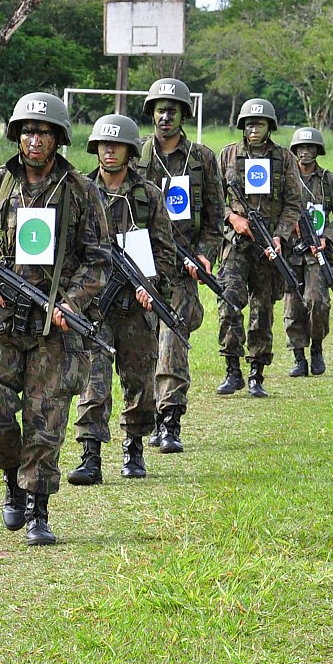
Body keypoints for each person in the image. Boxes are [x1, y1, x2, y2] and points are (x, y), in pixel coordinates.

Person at [0, 92, 109, 545]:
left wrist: (71, 304)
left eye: (43, 131)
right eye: (27, 130)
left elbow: (99, 260)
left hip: (53, 327)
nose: (34, 139)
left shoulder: (80, 190)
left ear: (58, 138)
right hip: (1, 319)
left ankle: (38, 508)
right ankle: (11, 479)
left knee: (47, 418)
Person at [67, 114, 176, 485]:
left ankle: (134, 447)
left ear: (130, 151)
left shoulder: (147, 196)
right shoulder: (79, 190)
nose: (108, 151)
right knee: (92, 381)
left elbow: (165, 252)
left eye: (116, 145)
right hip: (94, 305)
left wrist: (151, 285)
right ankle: (90, 454)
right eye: (103, 144)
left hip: (134, 306)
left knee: (140, 382)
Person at [136, 78, 226, 454]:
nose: (165, 116)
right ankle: (145, 419)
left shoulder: (202, 159)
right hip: (142, 266)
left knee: (173, 342)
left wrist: (205, 254)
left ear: (183, 114)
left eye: (172, 109)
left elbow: (216, 217)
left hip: (183, 268)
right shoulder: (136, 155)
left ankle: (170, 419)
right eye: (159, 109)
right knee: (143, 347)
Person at [215, 98, 303, 397]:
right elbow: (215, 199)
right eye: (250, 123)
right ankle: (232, 370)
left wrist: (279, 236)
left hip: (268, 247)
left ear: (270, 127)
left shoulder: (284, 158)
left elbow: (293, 204)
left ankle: (257, 372)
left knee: (262, 310)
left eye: (260, 124)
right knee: (228, 303)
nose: (254, 128)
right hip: (236, 244)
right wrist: (232, 218)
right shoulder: (228, 155)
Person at [282, 126, 333, 377]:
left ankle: (317, 349)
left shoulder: (328, 180)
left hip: (317, 252)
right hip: (290, 252)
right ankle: (298, 356)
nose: (305, 153)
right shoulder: (287, 179)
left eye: (310, 148)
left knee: (318, 302)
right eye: (301, 148)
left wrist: (326, 237)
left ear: (318, 151)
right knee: (292, 306)